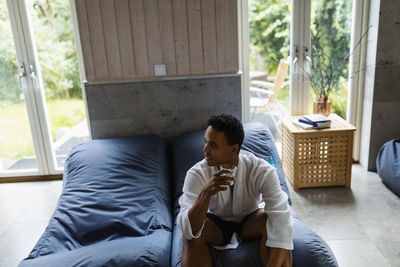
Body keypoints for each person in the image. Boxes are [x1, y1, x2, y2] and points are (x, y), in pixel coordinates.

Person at [177, 114, 293, 267]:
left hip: (249, 222)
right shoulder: (197, 173)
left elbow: (282, 218)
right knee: (191, 234)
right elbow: (187, 228)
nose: (205, 150)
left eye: (213, 145)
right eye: (205, 142)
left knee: (273, 221)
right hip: (215, 226)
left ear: (233, 150)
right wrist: (206, 194)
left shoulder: (261, 170)